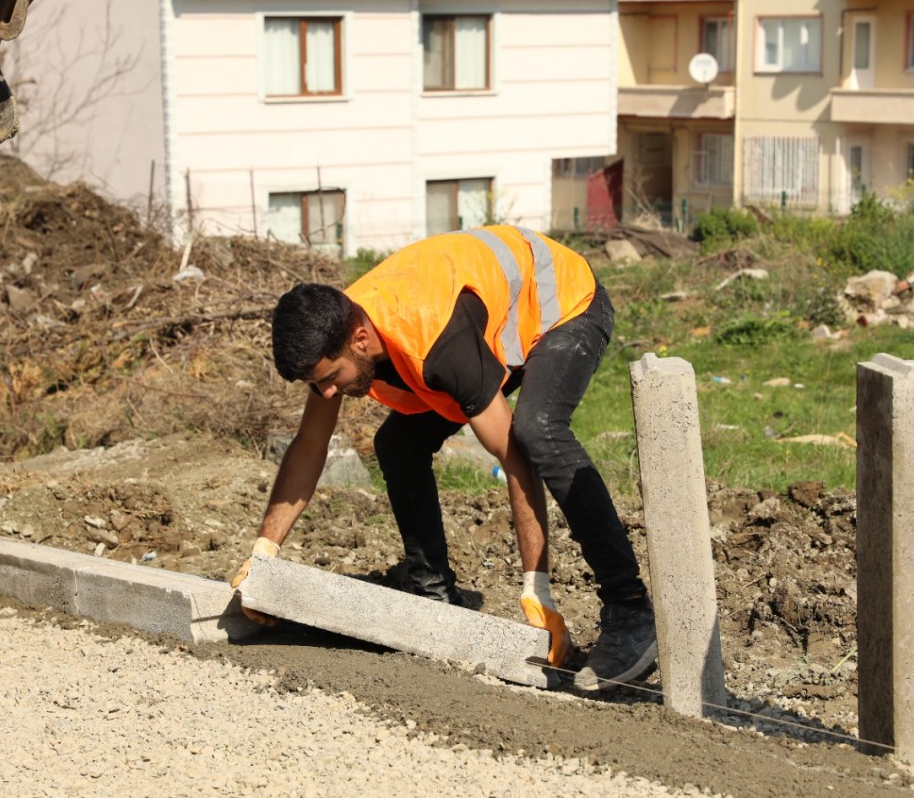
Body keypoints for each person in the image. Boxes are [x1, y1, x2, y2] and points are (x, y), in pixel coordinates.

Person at [232, 225, 656, 692]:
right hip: (488, 321)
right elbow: (310, 446)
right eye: (317, 384)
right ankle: (433, 592)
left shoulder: (437, 340)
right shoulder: (335, 332)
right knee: (397, 444)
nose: (327, 393)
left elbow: (512, 456)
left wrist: (538, 590)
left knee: (539, 431)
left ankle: (631, 610)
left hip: (561, 304)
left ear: (358, 339)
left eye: (330, 378)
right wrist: (263, 552)